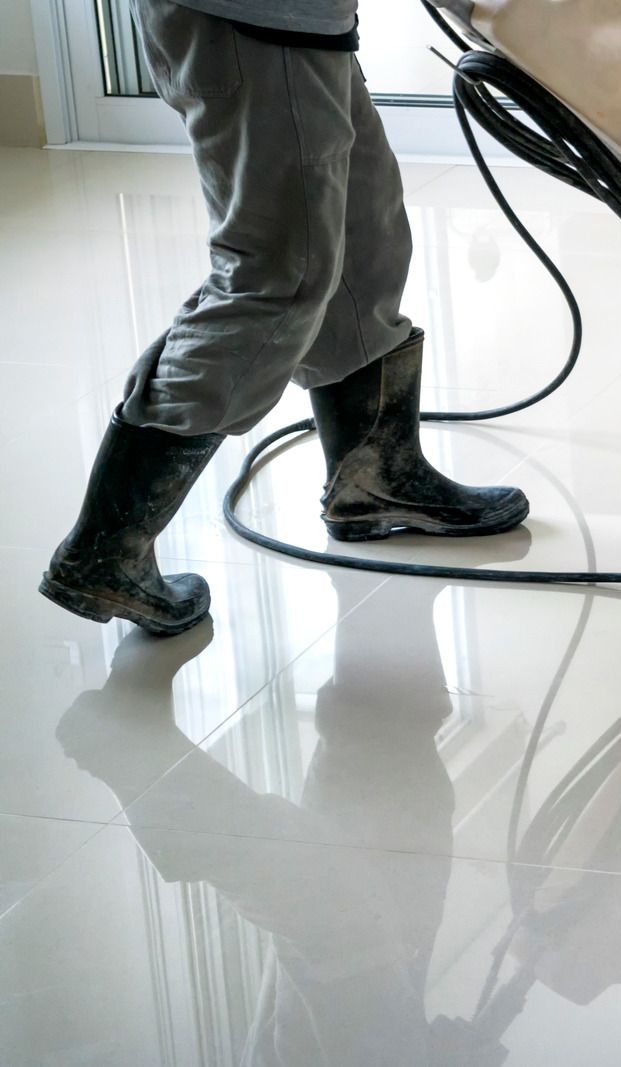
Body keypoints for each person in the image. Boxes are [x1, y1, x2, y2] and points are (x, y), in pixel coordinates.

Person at [38, 0, 529, 638]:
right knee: (275, 278)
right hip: (253, 20)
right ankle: (108, 550)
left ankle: (375, 478)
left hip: (300, 20)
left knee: (364, 241)